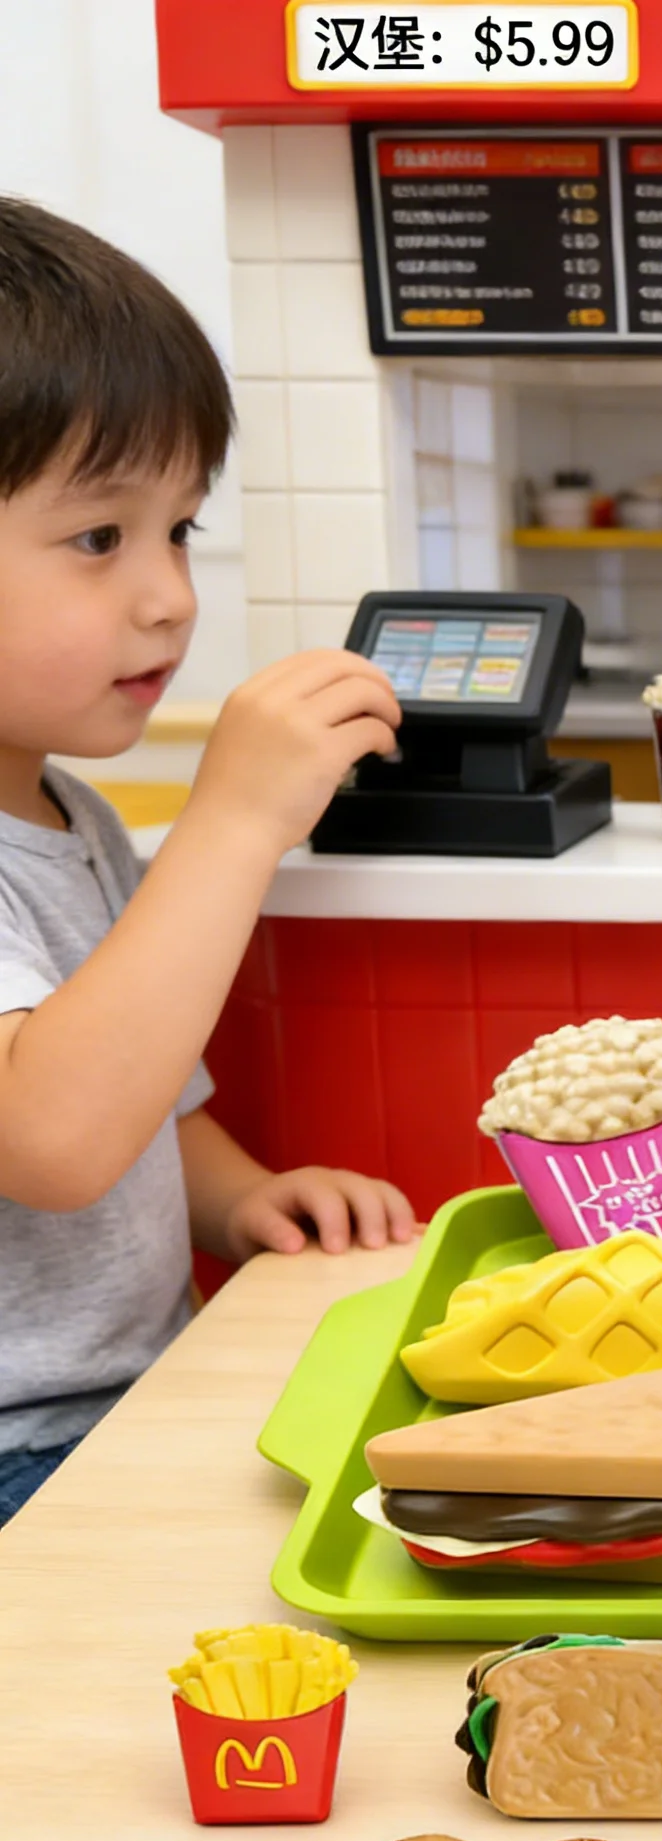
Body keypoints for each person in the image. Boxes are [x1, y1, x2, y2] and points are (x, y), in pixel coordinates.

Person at [0, 197, 415, 1527]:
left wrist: (241, 1200)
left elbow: (147, 1098)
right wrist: (232, 822)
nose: (172, 595)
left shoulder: (70, 810)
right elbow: (53, 1137)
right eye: (99, 538)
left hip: (121, 1399)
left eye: (179, 528)